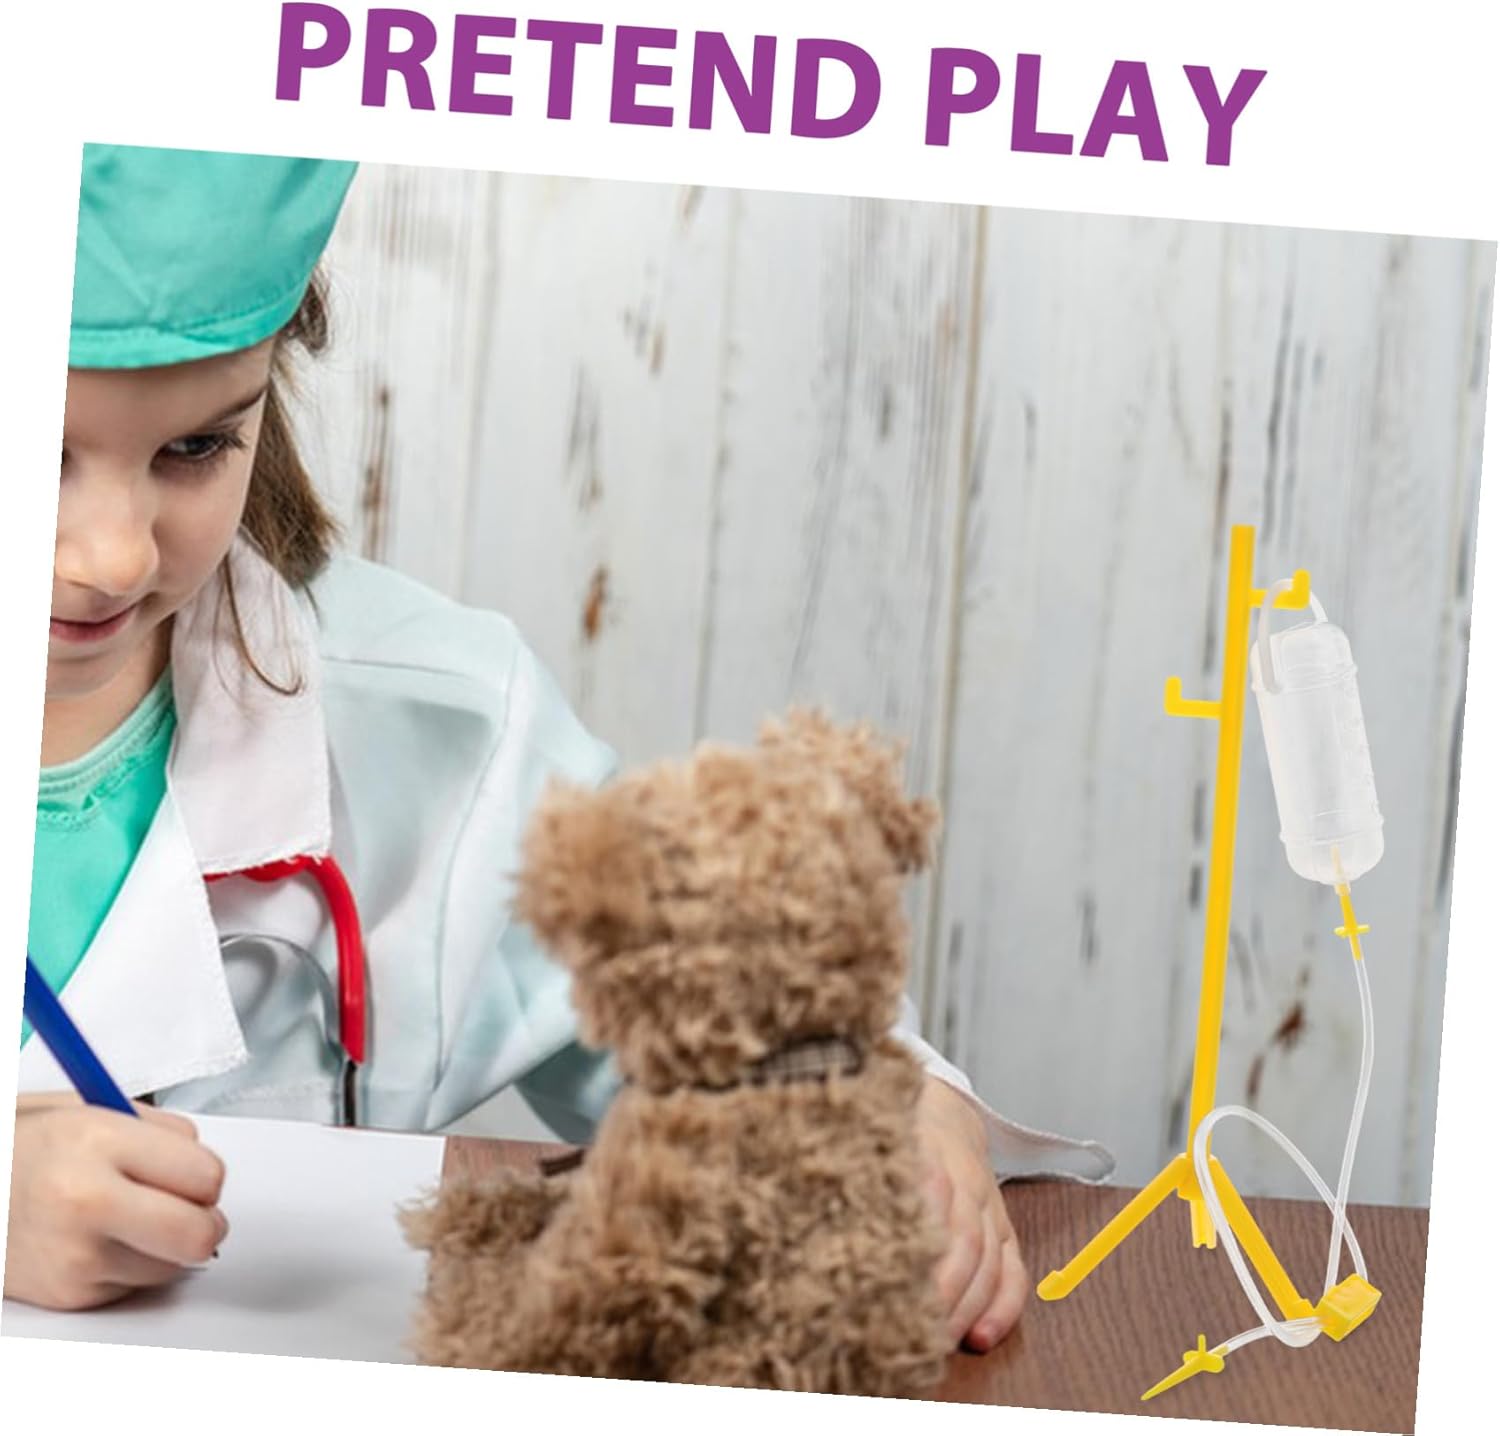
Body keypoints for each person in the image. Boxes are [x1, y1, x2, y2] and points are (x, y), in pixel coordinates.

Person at [6, 145, 1110, 1347]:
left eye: (196, 448)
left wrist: (896, 1105)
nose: (114, 555)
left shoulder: (436, 719)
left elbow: (729, 1015)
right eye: (33, 448)